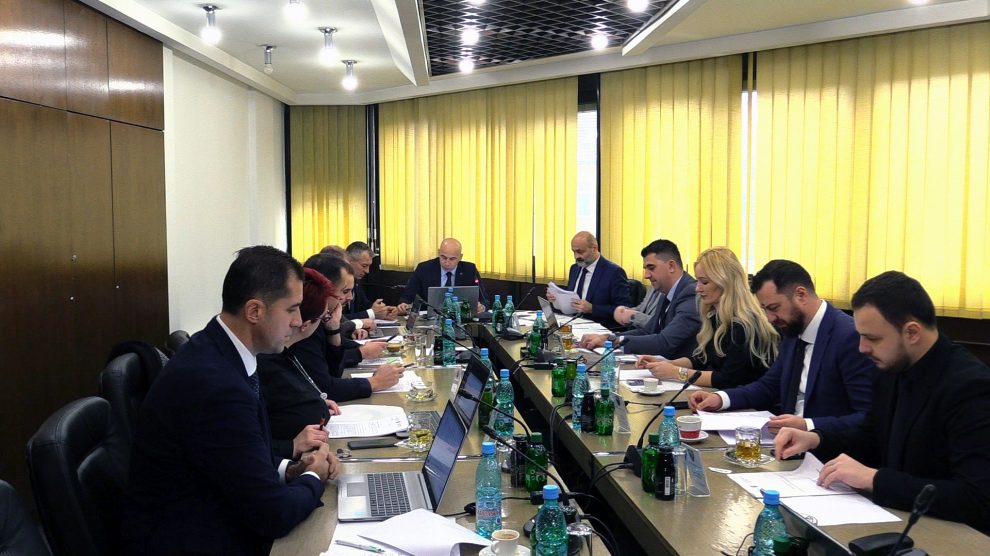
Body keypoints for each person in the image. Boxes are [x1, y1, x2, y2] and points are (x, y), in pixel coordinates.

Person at [122, 246, 338, 555]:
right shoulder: (217, 386)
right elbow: (273, 515)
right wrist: (313, 476)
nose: (298, 320)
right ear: (254, 311)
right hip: (195, 538)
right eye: (292, 309)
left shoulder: (219, 350)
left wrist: (290, 469)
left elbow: (238, 458)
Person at [775, 271, 990, 533]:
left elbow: (975, 498)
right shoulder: (890, 366)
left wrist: (875, 479)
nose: (862, 348)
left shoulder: (970, 388)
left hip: (949, 533)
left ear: (912, 332)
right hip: (892, 518)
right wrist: (817, 437)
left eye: (873, 338)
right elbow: (871, 432)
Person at [689, 260, 873, 434]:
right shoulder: (793, 329)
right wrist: (721, 398)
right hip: (784, 441)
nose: (770, 319)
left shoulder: (849, 336)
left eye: (774, 308)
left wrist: (808, 426)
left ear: (801, 295)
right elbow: (770, 386)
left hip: (827, 447)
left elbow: (867, 418)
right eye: (765, 309)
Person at [635, 247, 778, 388]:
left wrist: (677, 373)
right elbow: (701, 359)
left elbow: (728, 379)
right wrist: (666, 364)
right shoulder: (716, 317)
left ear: (724, 283)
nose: (697, 288)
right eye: (697, 281)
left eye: (704, 282)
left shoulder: (743, 325)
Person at [258, 268, 346, 460]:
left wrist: (315, 400)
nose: (297, 320)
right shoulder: (264, 362)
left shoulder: (285, 351)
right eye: (324, 318)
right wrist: (290, 447)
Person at [297, 253, 404, 391]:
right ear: (323, 290)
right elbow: (324, 388)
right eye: (345, 291)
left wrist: (334, 330)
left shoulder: (325, 318)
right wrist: (374, 382)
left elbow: (334, 372)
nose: (350, 297)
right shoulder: (306, 323)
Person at [579, 239, 698, 357]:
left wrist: (614, 342)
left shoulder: (691, 293)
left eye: (651, 268)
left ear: (671, 266)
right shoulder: (666, 291)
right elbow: (648, 331)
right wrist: (607, 337)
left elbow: (665, 342)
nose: (646, 275)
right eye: (645, 269)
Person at [547, 231, 631, 328]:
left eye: (580, 252)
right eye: (574, 252)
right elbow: (571, 299)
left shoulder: (614, 272)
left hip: (598, 328)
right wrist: (557, 299)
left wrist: (592, 309)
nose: (576, 256)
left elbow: (624, 310)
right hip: (571, 324)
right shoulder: (574, 269)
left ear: (594, 249)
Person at [397, 237, 488, 314]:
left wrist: (482, 307)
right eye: (443, 257)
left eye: (452, 259)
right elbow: (407, 296)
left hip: (461, 318)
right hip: (429, 318)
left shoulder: (469, 270)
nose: (447, 262)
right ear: (438, 252)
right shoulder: (424, 268)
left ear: (460, 257)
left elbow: (484, 300)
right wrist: (404, 304)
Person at [345, 241, 398, 324]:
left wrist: (384, 311)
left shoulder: (356, 282)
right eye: (364, 266)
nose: (367, 271)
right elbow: (338, 319)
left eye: (369, 266)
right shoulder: (337, 283)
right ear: (348, 261)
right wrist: (371, 313)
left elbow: (365, 306)